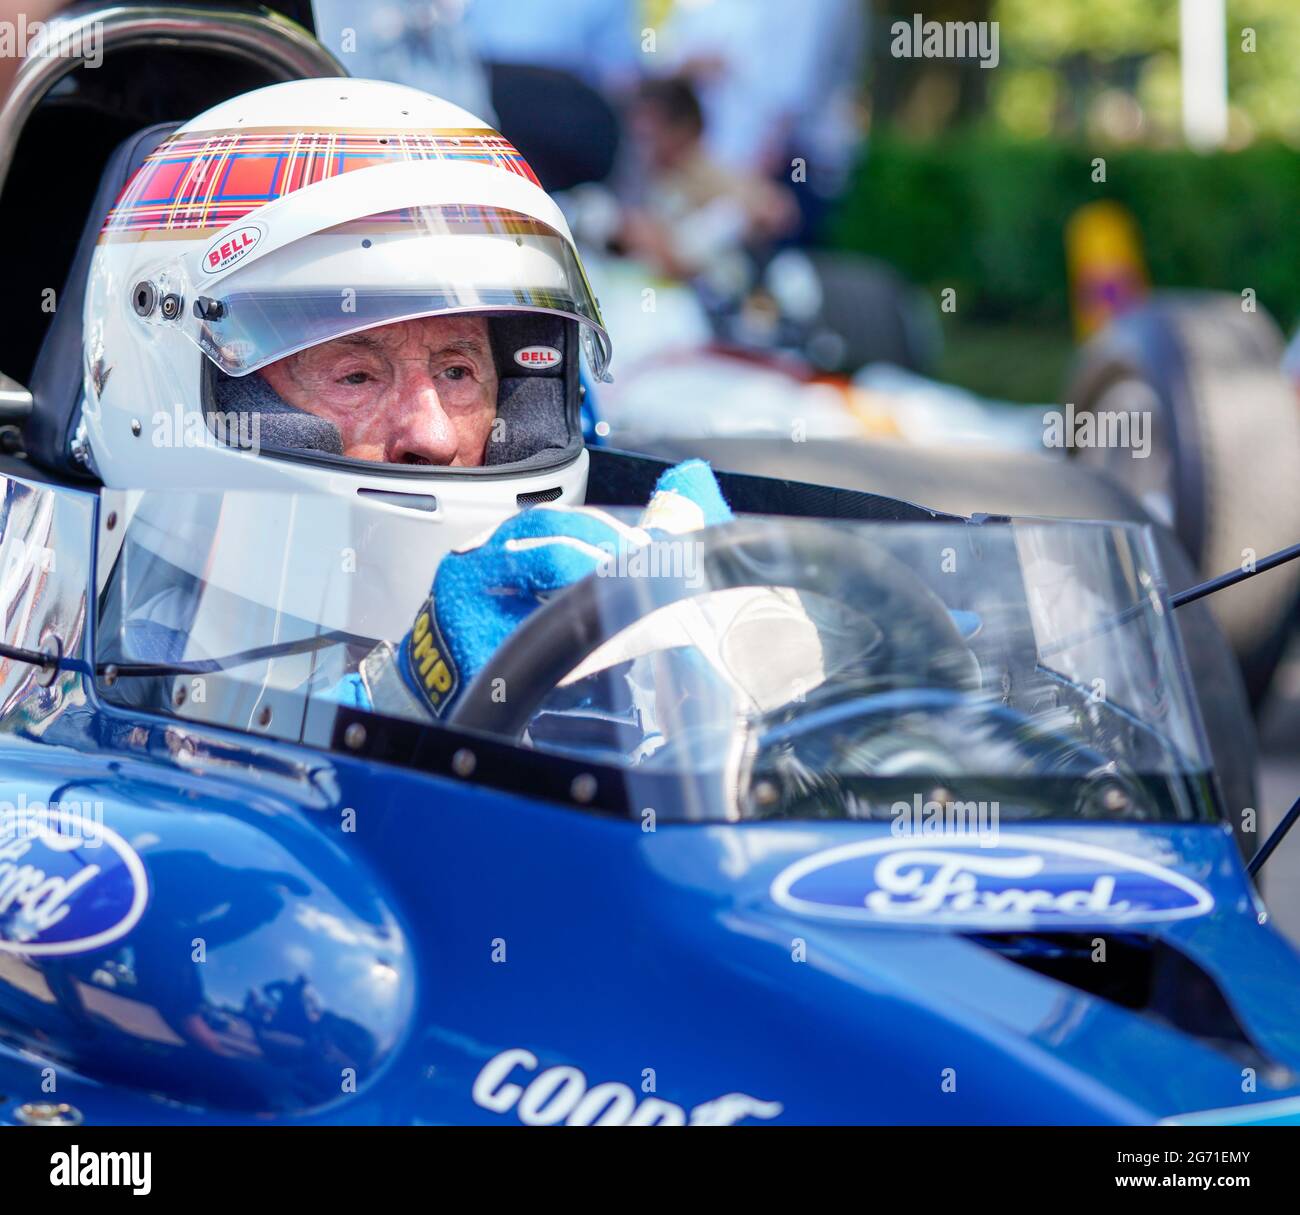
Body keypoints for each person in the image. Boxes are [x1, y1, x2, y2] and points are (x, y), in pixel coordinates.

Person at [83, 77, 784, 729]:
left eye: (456, 371)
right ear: (179, 384)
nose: (434, 434)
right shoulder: (99, 683)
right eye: (355, 376)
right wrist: (391, 709)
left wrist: (725, 711)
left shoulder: (597, 604)